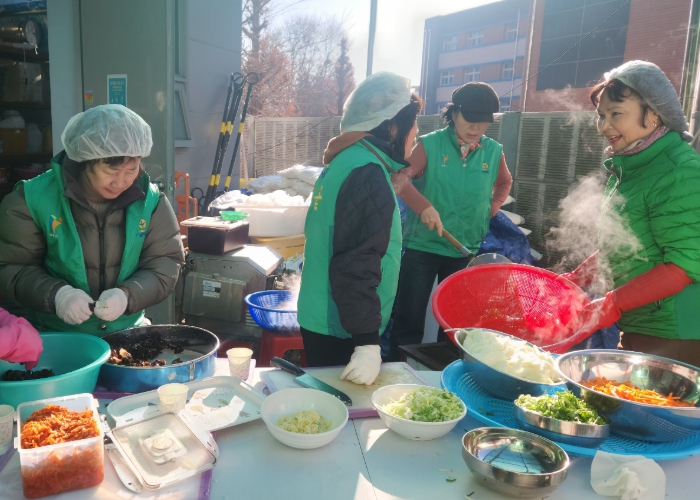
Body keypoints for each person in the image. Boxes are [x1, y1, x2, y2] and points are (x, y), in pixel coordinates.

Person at [0, 104, 185, 336]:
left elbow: (165, 261)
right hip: (55, 334)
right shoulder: (31, 200)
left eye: (131, 170)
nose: (121, 182)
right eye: (110, 171)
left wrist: (128, 295)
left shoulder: (150, 201)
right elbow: (12, 267)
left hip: (127, 333)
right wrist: (57, 295)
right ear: (84, 161)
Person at [567, 60, 700, 366]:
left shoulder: (679, 170)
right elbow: (625, 244)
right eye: (601, 115)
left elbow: (685, 264)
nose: (604, 126)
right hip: (641, 323)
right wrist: (575, 280)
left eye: (616, 114)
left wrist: (611, 303)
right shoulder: (633, 166)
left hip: (676, 333)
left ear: (654, 113)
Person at [297, 72, 421, 385]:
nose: (417, 134)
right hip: (342, 325)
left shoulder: (346, 161)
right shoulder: (367, 172)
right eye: (414, 125)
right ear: (392, 127)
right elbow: (356, 260)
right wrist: (366, 344)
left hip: (326, 315)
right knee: (343, 410)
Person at [387, 82, 513, 361]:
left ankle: (448, 374)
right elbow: (400, 179)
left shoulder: (493, 151)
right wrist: (423, 207)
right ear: (454, 113)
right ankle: (398, 371)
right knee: (409, 319)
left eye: (483, 122)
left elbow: (505, 182)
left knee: (456, 325)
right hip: (423, 247)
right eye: (470, 120)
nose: (476, 128)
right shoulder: (430, 144)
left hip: (464, 250)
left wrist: (491, 209)